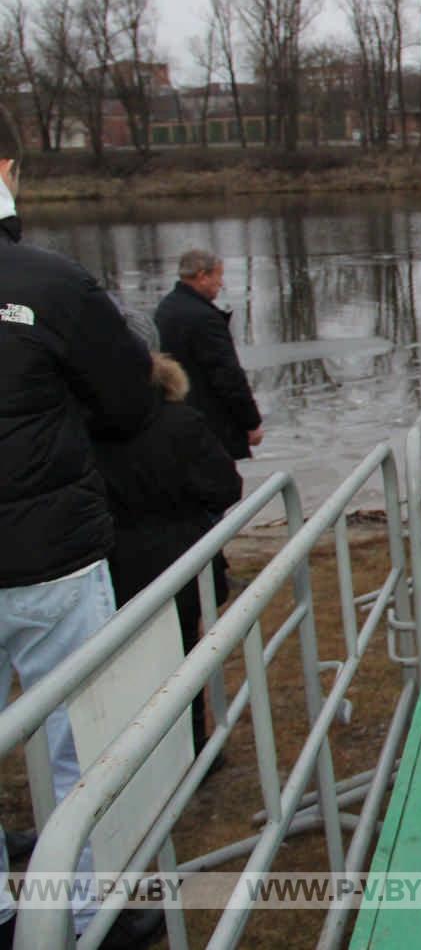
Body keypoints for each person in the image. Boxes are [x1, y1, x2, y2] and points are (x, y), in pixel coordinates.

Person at [0, 105, 164, 948]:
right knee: (81, 746)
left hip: (43, 550)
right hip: (51, 561)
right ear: (8, 170)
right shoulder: (50, 282)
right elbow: (130, 399)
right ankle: (92, 919)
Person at [95, 353, 242, 756]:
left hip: (112, 564)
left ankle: (134, 754)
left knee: (122, 663)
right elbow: (225, 486)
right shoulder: (181, 422)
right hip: (182, 557)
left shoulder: (83, 425)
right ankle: (191, 750)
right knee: (181, 658)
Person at [155, 248, 264, 460]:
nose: (221, 283)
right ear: (202, 276)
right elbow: (227, 375)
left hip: (179, 420)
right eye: (218, 276)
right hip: (212, 424)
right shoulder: (205, 318)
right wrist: (251, 422)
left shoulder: (166, 308)